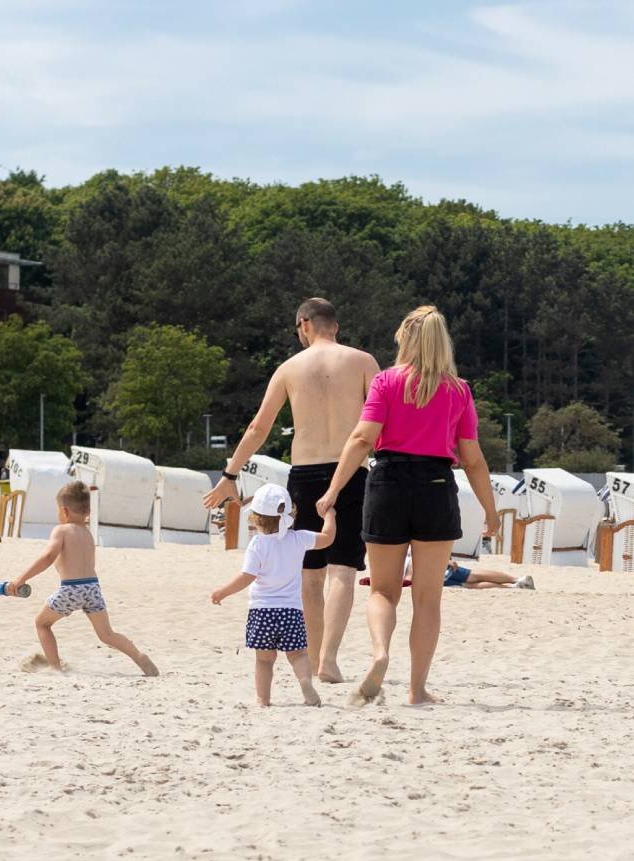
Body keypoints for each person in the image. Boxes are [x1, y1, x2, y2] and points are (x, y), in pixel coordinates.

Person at [316, 305, 498, 707]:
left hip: (388, 485)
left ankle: (381, 654)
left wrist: (333, 489)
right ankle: (417, 690)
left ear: (406, 339)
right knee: (428, 597)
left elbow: (362, 439)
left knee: (383, 590)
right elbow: (473, 459)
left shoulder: (386, 381)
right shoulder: (458, 390)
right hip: (436, 487)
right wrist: (490, 510)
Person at [202, 297, 380, 684]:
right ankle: (329, 659)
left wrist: (230, 473)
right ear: (335, 325)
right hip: (351, 471)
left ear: (304, 324)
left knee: (310, 574)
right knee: (343, 570)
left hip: (305, 475)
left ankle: (313, 658)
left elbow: (258, 428)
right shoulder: (363, 362)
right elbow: (380, 421)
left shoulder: (289, 368)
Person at [4, 480, 158, 676]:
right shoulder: (87, 533)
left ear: (64, 511)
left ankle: (56, 668)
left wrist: (21, 579)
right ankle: (139, 656)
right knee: (107, 634)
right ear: (88, 511)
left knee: (42, 623)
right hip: (92, 588)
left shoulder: (61, 530)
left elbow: (48, 557)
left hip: (71, 588)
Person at [210, 484, 337, 707]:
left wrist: (223, 591)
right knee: (298, 654)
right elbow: (327, 537)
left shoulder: (258, 544)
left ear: (256, 518)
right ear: (290, 513)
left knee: (264, 660)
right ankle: (305, 682)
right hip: (291, 611)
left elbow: (247, 577)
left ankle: (263, 699)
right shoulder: (298, 539)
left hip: (262, 612)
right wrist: (330, 515)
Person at [435, 558, 535, 590]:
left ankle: (513, 587)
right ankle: (517, 580)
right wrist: (445, 559)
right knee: (472, 575)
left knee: (468, 585)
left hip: (428, 578)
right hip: (435, 567)